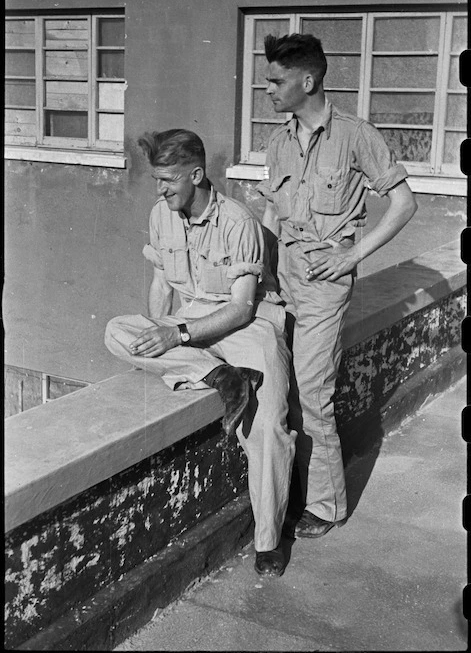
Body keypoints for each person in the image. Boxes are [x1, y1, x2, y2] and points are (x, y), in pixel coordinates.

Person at [105, 128, 297, 576]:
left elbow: (241, 308)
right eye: (156, 179)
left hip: (248, 327)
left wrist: (177, 339)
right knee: (117, 331)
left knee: (267, 425)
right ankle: (222, 377)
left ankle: (268, 542)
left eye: (168, 179)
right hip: (192, 326)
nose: (161, 188)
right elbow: (161, 286)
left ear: (196, 174)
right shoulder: (161, 215)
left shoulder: (238, 222)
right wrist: (158, 336)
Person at [259, 33, 417, 539]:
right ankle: (287, 493)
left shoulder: (355, 135)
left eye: (277, 81)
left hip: (325, 287)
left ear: (308, 81)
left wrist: (352, 255)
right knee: (271, 386)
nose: (269, 90)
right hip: (280, 279)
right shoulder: (279, 141)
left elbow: (404, 204)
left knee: (312, 390)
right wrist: (259, 271)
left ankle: (326, 506)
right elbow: (270, 212)